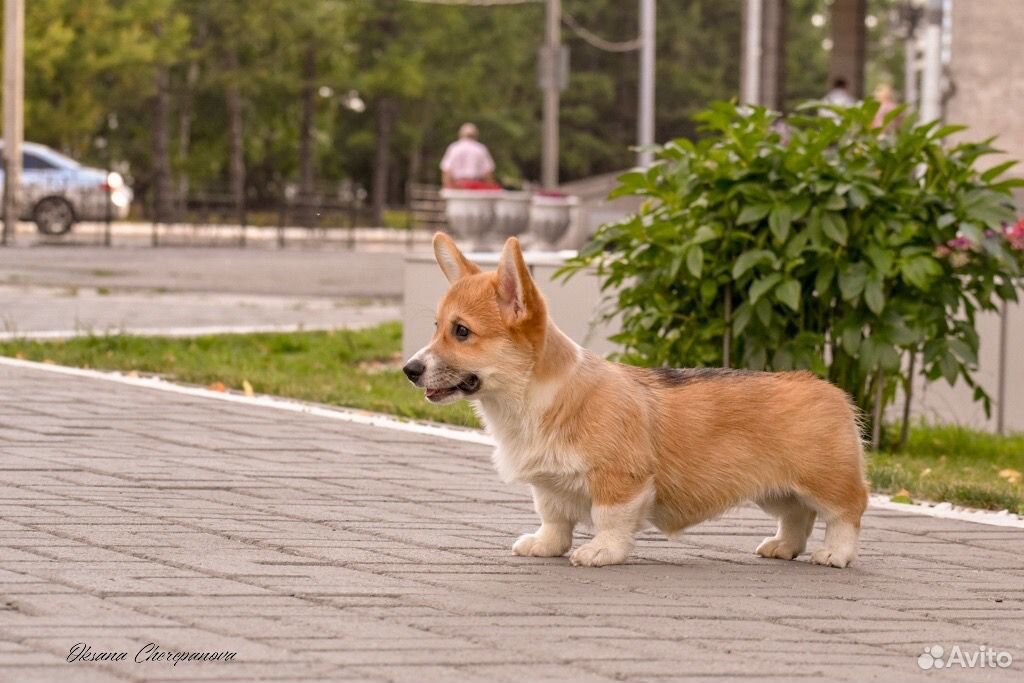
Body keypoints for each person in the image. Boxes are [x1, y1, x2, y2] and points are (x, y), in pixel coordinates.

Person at [440, 123, 496, 188]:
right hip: (476, 186)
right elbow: (488, 172)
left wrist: (447, 187)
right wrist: (489, 187)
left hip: (458, 186)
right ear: (475, 135)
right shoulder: (480, 149)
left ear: (460, 134)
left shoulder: (454, 148)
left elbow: (446, 170)